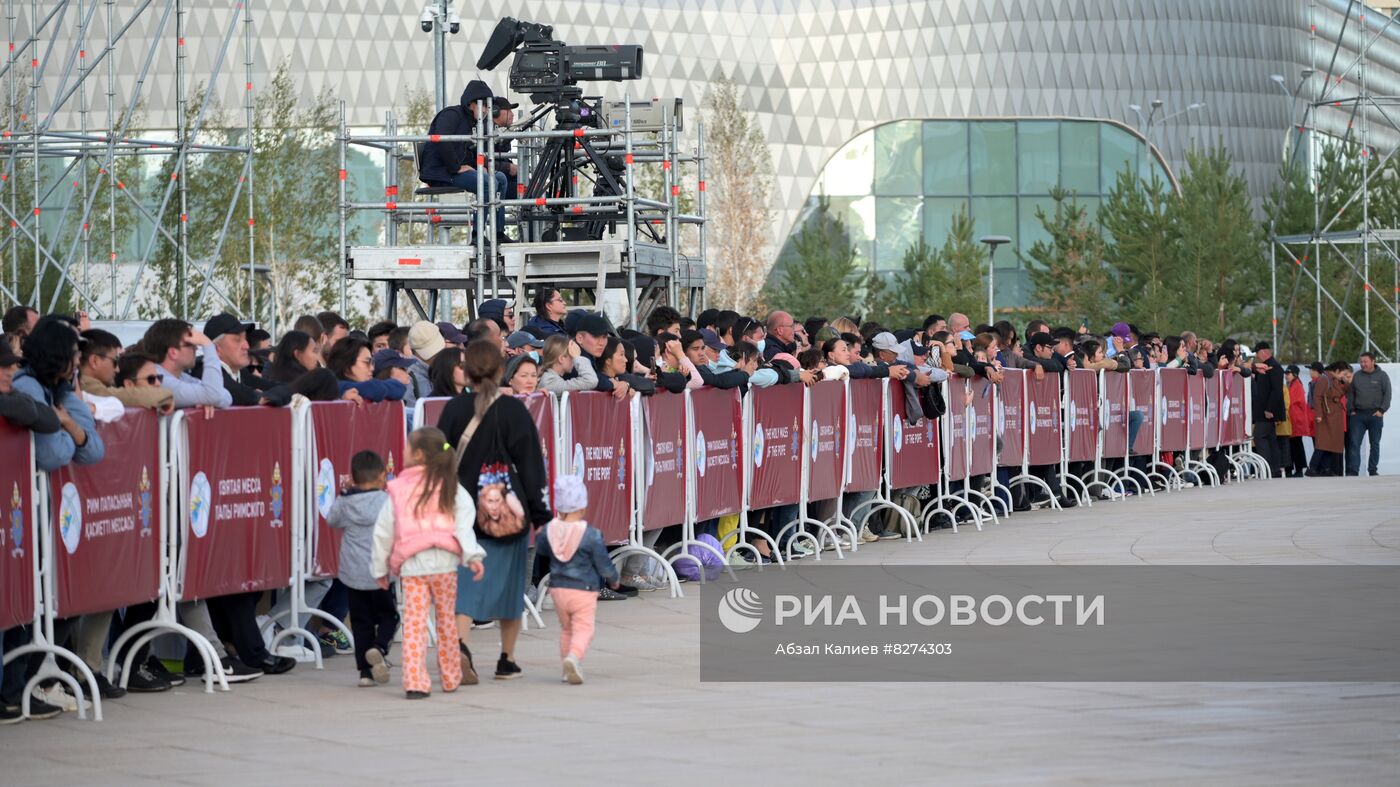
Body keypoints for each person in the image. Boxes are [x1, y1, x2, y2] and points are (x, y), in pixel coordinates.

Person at [437, 340, 552, 683]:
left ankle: (459, 645)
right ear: (502, 371)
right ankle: (507, 659)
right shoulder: (515, 411)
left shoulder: (454, 410)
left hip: (463, 512)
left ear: (468, 372)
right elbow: (532, 465)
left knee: (465, 587)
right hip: (508, 512)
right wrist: (541, 514)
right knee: (509, 587)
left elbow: (441, 454)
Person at [370, 428, 485, 699]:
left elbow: (384, 530)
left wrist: (379, 568)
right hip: (445, 566)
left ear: (418, 454)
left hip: (412, 566)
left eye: (407, 448)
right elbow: (463, 524)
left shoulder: (398, 488)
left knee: (415, 624)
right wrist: (473, 555)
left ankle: (415, 683)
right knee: (446, 622)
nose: (404, 452)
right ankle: (450, 676)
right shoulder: (451, 485)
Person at [536, 474, 620, 685]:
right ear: (582, 506)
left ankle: (567, 666)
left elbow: (542, 549)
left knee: (567, 629)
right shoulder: (590, 534)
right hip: (583, 590)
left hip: (557, 589)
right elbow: (602, 561)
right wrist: (613, 578)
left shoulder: (550, 529)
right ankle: (574, 657)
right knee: (584, 628)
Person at [328, 450, 400, 688]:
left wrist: (343, 493)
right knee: (389, 615)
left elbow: (332, 520)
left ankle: (365, 673)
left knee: (361, 622)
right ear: (382, 476)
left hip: (353, 574)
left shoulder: (346, 502)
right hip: (381, 573)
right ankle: (378, 647)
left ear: (353, 477)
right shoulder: (387, 501)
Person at [418, 80, 510, 239]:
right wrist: (456, 168)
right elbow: (442, 140)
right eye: (484, 106)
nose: (487, 111)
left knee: (500, 178)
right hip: (440, 173)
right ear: (472, 104)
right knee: (489, 183)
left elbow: (466, 150)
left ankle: (499, 233)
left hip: (452, 171)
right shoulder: (451, 114)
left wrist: (477, 167)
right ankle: (477, 236)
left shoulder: (470, 122)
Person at [142, 318, 232, 409]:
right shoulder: (157, 380)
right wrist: (208, 344)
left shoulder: (182, 377)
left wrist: (207, 400)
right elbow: (213, 395)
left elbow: (227, 396)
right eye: (191, 344)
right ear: (173, 352)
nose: (196, 348)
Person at [78, 330, 173, 413]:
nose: (117, 369)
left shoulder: (83, 384)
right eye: (115, 362)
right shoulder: (84, 386)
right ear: (94, 361)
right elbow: (124, 397)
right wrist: (166, 395)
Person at [1345, 352, 1390, 476]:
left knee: (1374, 444)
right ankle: (1353, 471)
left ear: (1373, 361)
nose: (1362, 364)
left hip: (1375, 415)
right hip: (1358, 415)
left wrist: (1382, 411)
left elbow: (1387, 394)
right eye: (1361, 362)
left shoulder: (1382, 376)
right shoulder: (1357, 376)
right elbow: (1350, 394)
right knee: (1354, 443)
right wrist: (1351, 410)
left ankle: (1372, 469)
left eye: (1365, 361)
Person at [326, 337, 407, 402]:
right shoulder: (334, 387)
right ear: (346, 365)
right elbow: (374, 389)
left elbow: (399, 388)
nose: (372, 368)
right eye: (367, 362)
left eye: (372, 362)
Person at [1249, 342, 1287, 478]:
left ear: (1264, 352)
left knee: (1259, 436)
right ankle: (1275, 469)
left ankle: (1268, 468)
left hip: (1267, 411)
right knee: (1270, 439)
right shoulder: (1266, 367)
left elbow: (1276, 390)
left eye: (1257, 353)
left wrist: (1270, 409)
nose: (1257, 356)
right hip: (1263, 411)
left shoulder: (1274, 367)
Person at [1308, 362, 1350, 476]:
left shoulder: (1336, 380)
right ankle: (1312, 467)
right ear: (1336, 371)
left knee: (1330, 443)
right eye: (1343, 373)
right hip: (1325, 415)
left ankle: (1326, 468)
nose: (1344, 375)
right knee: (1323, 443)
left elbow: (1344, 392)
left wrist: (1345, 381)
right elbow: (1317, 397)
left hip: (1334, 415)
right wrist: (1319, 414)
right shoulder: (1325, 379)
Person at [1285, 365, 1313, 478]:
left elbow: (1290, 402)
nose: (1286, 376)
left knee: (1296, 445)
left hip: (1295, 420)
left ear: (1295, 374)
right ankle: (1297, 469)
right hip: (1294, 419)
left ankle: (1298, 469)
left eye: (1288, 374)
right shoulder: (1293, 385)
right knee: (1294, 445)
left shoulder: (1296, 386)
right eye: (1286, 374)